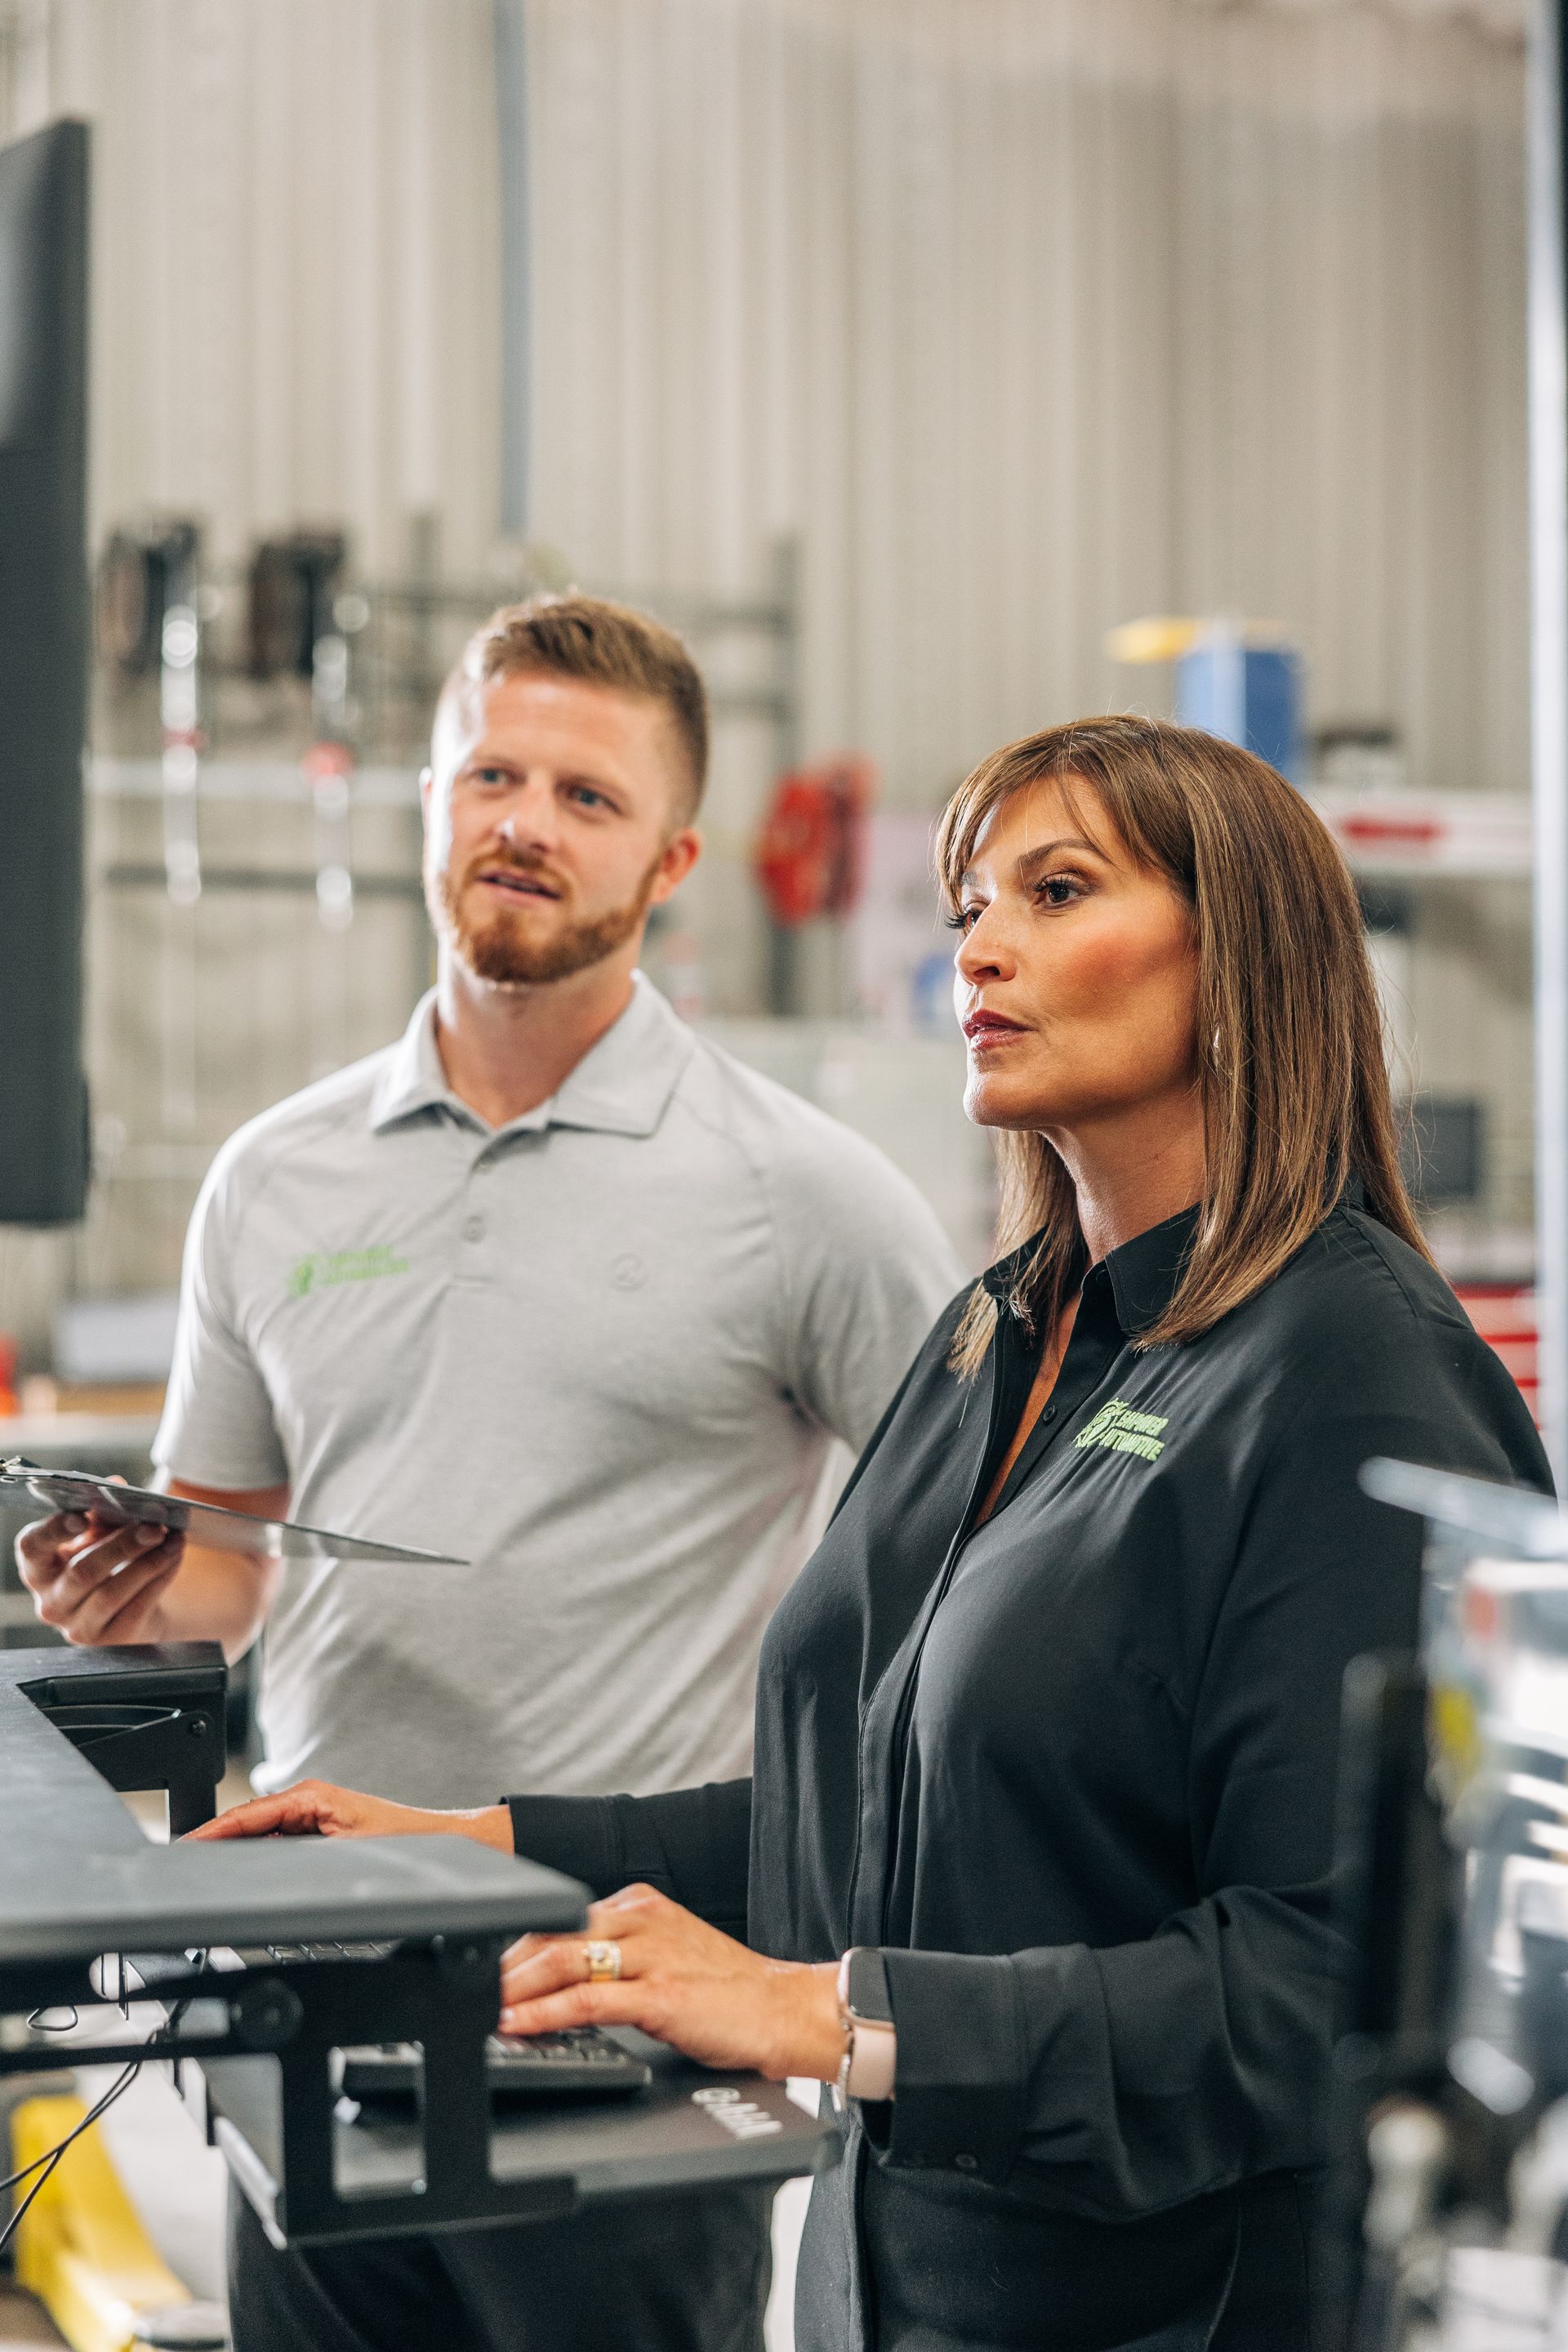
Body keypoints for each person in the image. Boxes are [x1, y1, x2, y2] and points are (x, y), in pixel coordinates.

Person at [195, 714, 1551, 2351]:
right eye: (973, 898)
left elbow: (1328, 1992)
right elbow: (884, 1812)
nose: (981, 942)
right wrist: (461, 1845)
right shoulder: (1003, 1325)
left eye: (1057, 891)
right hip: (881, 2288)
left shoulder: (1351, 1374)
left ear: (1245, 956)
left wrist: (828, 2014)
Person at [16, 593, 963, 2352]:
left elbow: (976, 1566)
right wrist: (138, 1596)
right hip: (314, 1970)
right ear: (430, 802)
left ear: (673, 856)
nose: (526, 821)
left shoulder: (801, 1197)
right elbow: (229, 1571)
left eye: (588, 798)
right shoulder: (275, 1177)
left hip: (610, 1980)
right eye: (492, 775)